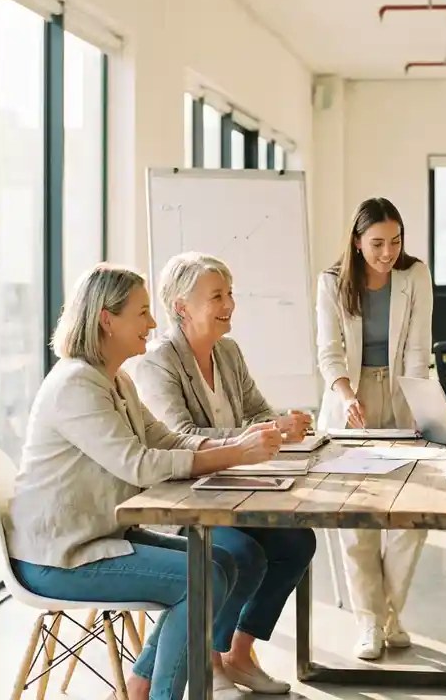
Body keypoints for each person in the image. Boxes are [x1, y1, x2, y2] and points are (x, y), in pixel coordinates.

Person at [6, 263, 285, 700]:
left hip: (99, 537)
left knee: (227, 563)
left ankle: (137, 686)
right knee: (202, 579)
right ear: (106, 320)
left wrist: (239, 443)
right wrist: (235, 453)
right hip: (61, 558)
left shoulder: (115, 380)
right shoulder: (77, 385)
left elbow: (166, 439)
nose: (153, 323)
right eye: (141, 313)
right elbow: (137, 464)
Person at [131, 251, 317, 694]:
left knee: (297, 540)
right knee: (241, 554)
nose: (229, 304)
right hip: (184, 503)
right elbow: (180, 435)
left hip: (234, 492)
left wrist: (281, 425)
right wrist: (259, 433)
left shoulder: (228, 351)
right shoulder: (159, 361)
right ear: (181, 306)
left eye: (229, 293)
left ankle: (237, 653)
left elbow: (257, 412)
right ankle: (209, 659)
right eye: (216, 296)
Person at [315, 197, 433, 660]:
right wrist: (348, 398)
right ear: (357, 242)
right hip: (352, 394)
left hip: (404, 391)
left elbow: (419, 349)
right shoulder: (333, 282)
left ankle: (388, 614)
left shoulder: (414, 275)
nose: (388, 252)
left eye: (396, 241)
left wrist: (420, 405)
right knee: (356, 515)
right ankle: (369, 623)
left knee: (412, 513)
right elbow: (329, 351)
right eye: (378, 243)